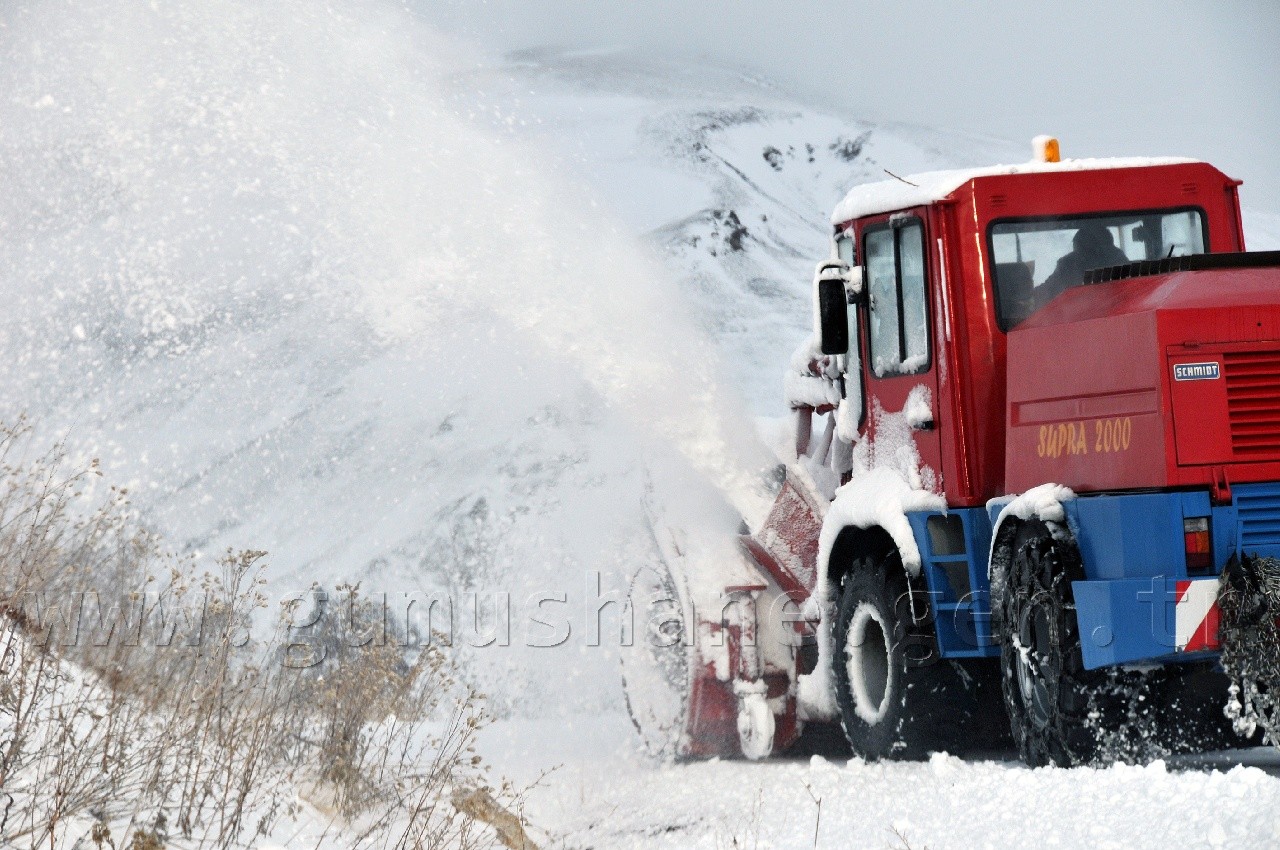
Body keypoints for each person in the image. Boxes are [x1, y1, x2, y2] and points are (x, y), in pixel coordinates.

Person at [1040, 223, 1131, 303]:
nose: (1080, 256)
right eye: (1078, 250)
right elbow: (1048, 289)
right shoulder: (1068, 264)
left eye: (1085, 249)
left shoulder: (1118, 260)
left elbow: (1133, 289)